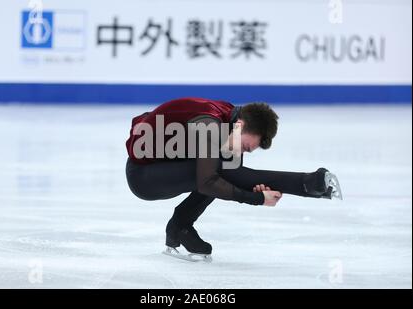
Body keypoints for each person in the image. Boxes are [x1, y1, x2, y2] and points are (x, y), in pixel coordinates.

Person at [125, 97, 342, 261]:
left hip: (170, 161)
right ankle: (309, 183)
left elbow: (236, 176)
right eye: (246, 147)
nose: (243, 153)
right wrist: (257, 199)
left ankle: (179, 228)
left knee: (221, 167)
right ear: (239, 126)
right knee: (213, 171)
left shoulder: (231, 118)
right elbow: (208, 182)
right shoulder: (209, 124)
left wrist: (254, 188)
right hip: (144, 176)